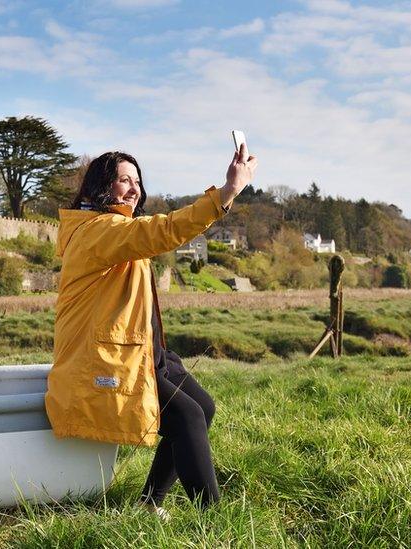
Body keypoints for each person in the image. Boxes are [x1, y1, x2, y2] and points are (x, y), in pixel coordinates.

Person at [44, 143, 258, 514]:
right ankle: (212, 517)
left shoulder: (113, 228)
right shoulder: (100, 230)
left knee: (202, 408)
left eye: (137, 181)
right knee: (186, 417)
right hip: (109, 356)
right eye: (123, 180)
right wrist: (227, 193)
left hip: (144, 350)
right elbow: (165, 230)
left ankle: (149, 502)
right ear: (101, 187)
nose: (133, 189)